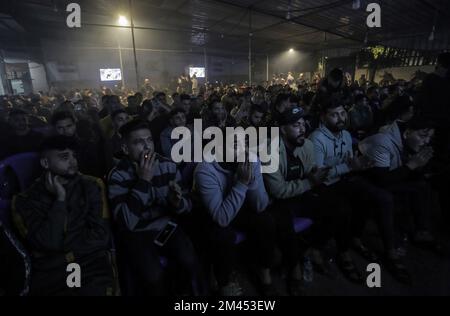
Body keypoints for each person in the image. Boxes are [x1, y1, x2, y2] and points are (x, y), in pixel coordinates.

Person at [12, 135, 118, 296]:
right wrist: (60, 200)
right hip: (52, 273)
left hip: (89, 266)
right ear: (45, 163)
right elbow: (49, 243)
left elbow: (100, 237)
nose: (73, 162)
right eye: (64, 157)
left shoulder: (91, 185)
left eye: (74, 156)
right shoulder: (24, 201)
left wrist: (62, 245)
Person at [107, 119, 201, 295]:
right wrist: (143, 181)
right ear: (126, 149)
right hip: (137, 233)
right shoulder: (117, 175)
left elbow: (187, 204)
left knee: (190, 261)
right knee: (154, 276)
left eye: (149, 140)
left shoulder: (167, 165)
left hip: (165, 227)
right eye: (138, 142)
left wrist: (177, 203)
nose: (147, 147)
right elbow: (126, 222)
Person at [194, 134, 279, 296]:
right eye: (235, 145)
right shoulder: (205, 170)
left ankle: (264, 273)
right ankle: (223, 282)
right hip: (214, 214)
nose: (242, 150)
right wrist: (242, 183)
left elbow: (261, 205)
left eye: (244, 144)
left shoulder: (250, 159)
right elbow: (221, 218)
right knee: (221, 235)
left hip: (238, 206)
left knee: (265, 220)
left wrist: (251, 177)